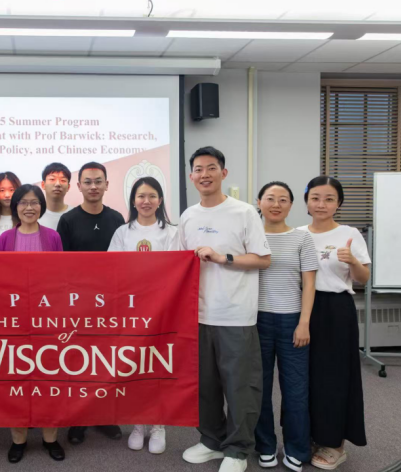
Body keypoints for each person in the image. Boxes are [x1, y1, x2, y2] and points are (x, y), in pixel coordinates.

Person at [179, 147, 270, 472]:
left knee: (240, 387)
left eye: (211, 168)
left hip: (235, 314)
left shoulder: (244, 213)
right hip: (198, 315)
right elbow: (180, 264)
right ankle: (211, 441)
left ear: (223, 173)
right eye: (198, 169)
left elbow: (263, 259)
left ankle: (238, 450)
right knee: (204, 386)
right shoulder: (188, 216)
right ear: (191, 176)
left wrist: (222, 258)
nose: (204, 174)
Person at [298, 176, 370, 470]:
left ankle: (335, 445)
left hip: (336, 311)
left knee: (335, 377)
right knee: (305, 376)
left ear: (338, 203)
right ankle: (312, 435)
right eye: (315, 198)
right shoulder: (297, 234)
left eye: (329, 199)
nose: (321, 204)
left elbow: (363, 278)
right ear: (306, 201)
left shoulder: (349, 234)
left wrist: (352, 261)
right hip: (301, 309)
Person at [108, 176, 178, 455]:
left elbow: (176, 270)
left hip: (162, 309)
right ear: (133, 201)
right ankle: (138, 424)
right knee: (134, 366)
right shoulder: (122, 232)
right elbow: (112, 269)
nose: (146, 201)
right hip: (131, 310)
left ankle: (158, 425)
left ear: (160, 200)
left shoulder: (172, 232)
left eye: (151, 196)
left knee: (158, 366)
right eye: (140, 196)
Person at [57, 161, 125, 445]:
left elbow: (125, 262)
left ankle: (104, 415)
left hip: (110, 301)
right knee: (78, 360)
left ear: (107, 185)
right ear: (79, 186)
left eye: (98, 181)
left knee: (105, 359)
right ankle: (78, 418)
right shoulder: (68, 220)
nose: (93, 186)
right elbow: (61, 267)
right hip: (78, 303)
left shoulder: (117, 219)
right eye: (88, 181)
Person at [0, 184, 65, 463]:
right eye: (23, 202)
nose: (29, 207)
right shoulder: (5, 238)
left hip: (46, 316)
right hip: (15, 317)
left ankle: (51, 438)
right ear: (15, 207)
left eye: (34, 202)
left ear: (41, 206)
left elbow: (61, 278)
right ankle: (18, 440)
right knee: (17, 378)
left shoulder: (53, 236)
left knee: (49, 376)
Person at [254, 181, 318, 472]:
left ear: (291, 205)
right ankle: (265, 445)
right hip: (256, 320)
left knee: (295, 389)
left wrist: (304, 322)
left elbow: (309, 285)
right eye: (270, 198)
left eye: (283, 199)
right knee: (259, 388)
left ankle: (296, 448)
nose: (276, 204)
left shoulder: (302, 238)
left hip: (293, 320)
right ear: (259, 202)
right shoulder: (251, 236)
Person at [38, 162, 73, 230]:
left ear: (68, 187)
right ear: (43, 185)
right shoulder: (34, 215)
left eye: (63, 180)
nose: (57, 184)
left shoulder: (75, 214)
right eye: (52, 179)